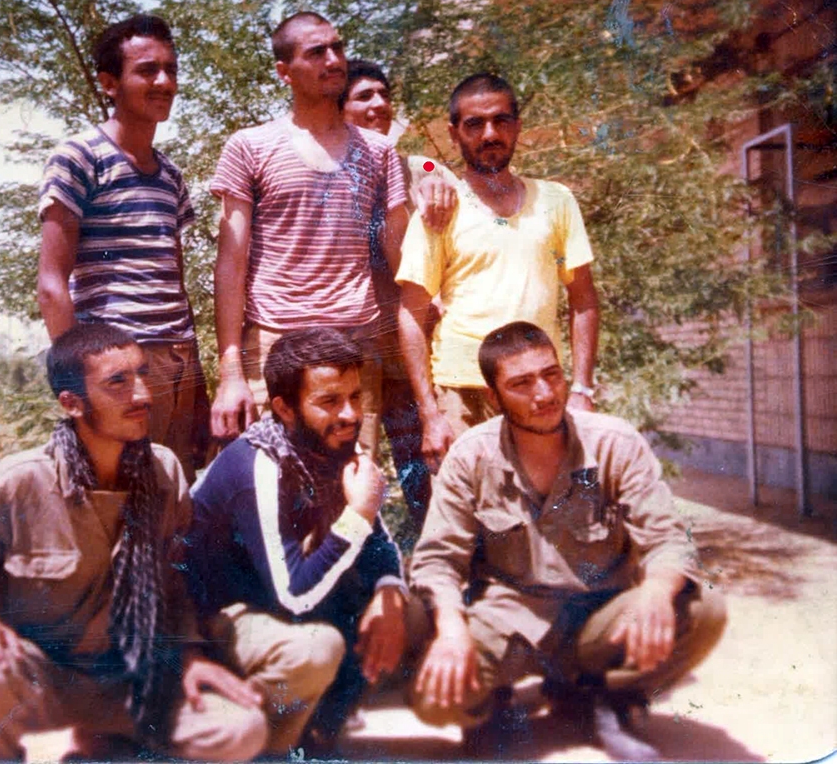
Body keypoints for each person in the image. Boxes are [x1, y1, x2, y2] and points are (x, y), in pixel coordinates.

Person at [0, 323, 267, 763]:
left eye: (142, 374)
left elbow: (175, 582)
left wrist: (188, 654)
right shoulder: (22, 482)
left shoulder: (164, 473)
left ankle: (106, 754)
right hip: (42, 676)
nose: (143, 395)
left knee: (238, 729)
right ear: (72, 403)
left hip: (133, 677)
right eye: (118, 382)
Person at [408, 321, 726, 760]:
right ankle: (492, 708)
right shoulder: (471, 455)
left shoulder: (614, 442)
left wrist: (655, 591)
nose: (544, 393)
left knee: (702, 609)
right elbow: (437, 559)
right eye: (521, 383)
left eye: (551, 374)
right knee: (435, 698)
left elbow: (668, 537)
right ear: (494, 398)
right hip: (510, 618)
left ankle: (604, 697)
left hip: (599, 615)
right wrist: (450, 631)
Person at [186, 328, 424, 754]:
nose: (350, 414)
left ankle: (319, 730)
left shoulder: (330, 443)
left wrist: (388, 589)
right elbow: (294, 594)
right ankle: (261, 746)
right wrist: (358, 514)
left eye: (355, 396)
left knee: (410, 612)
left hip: (272, 601)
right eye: (329, 401)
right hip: (214, 620)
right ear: (285, 408)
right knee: (317, 650)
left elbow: (377, 543)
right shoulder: (256, 466)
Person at [208, 12, 410, 453]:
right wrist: (231, 372)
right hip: (274, 344)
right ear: (285, 72)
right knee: (268, 479)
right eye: (316, 52)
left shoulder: (379, 151)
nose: (333, 60)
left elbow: (405, 261)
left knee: (353, 482)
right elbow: (230, 263)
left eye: (337, 48)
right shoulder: (251, 146)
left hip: (356, 345)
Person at [396, 72, 600, 475]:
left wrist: (581, 388)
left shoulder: (556, 201)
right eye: (475, 124)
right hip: (462, 393)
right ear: (454, 133)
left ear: (517, 126)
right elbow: (410, 314)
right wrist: (431, 414)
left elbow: (583, 299)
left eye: (501, 120)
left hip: (538, 389)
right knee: (467, 511)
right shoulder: (439, 210)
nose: (489, 134)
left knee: (545, 506)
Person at [37, 14, 208, 482]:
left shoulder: (170, 175)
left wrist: (195, 377)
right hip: (118, 366)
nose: (164, 82)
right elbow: (51, 284)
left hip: (176, 363)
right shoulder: (79, 158)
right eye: (147, 71)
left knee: (173, 496)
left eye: (171, 70)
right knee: (116, 500)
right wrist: (82, 383)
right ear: (110, 83)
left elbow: (173, 280)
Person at [340, 58, 457, 531]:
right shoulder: (327, 173)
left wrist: (435, 177)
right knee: (354, 472)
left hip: (415, 345)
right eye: (364, 96)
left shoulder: (413, 166)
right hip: (358, 349)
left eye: (384, 94)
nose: (379, 105)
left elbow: (437, 169)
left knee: (429, 470)